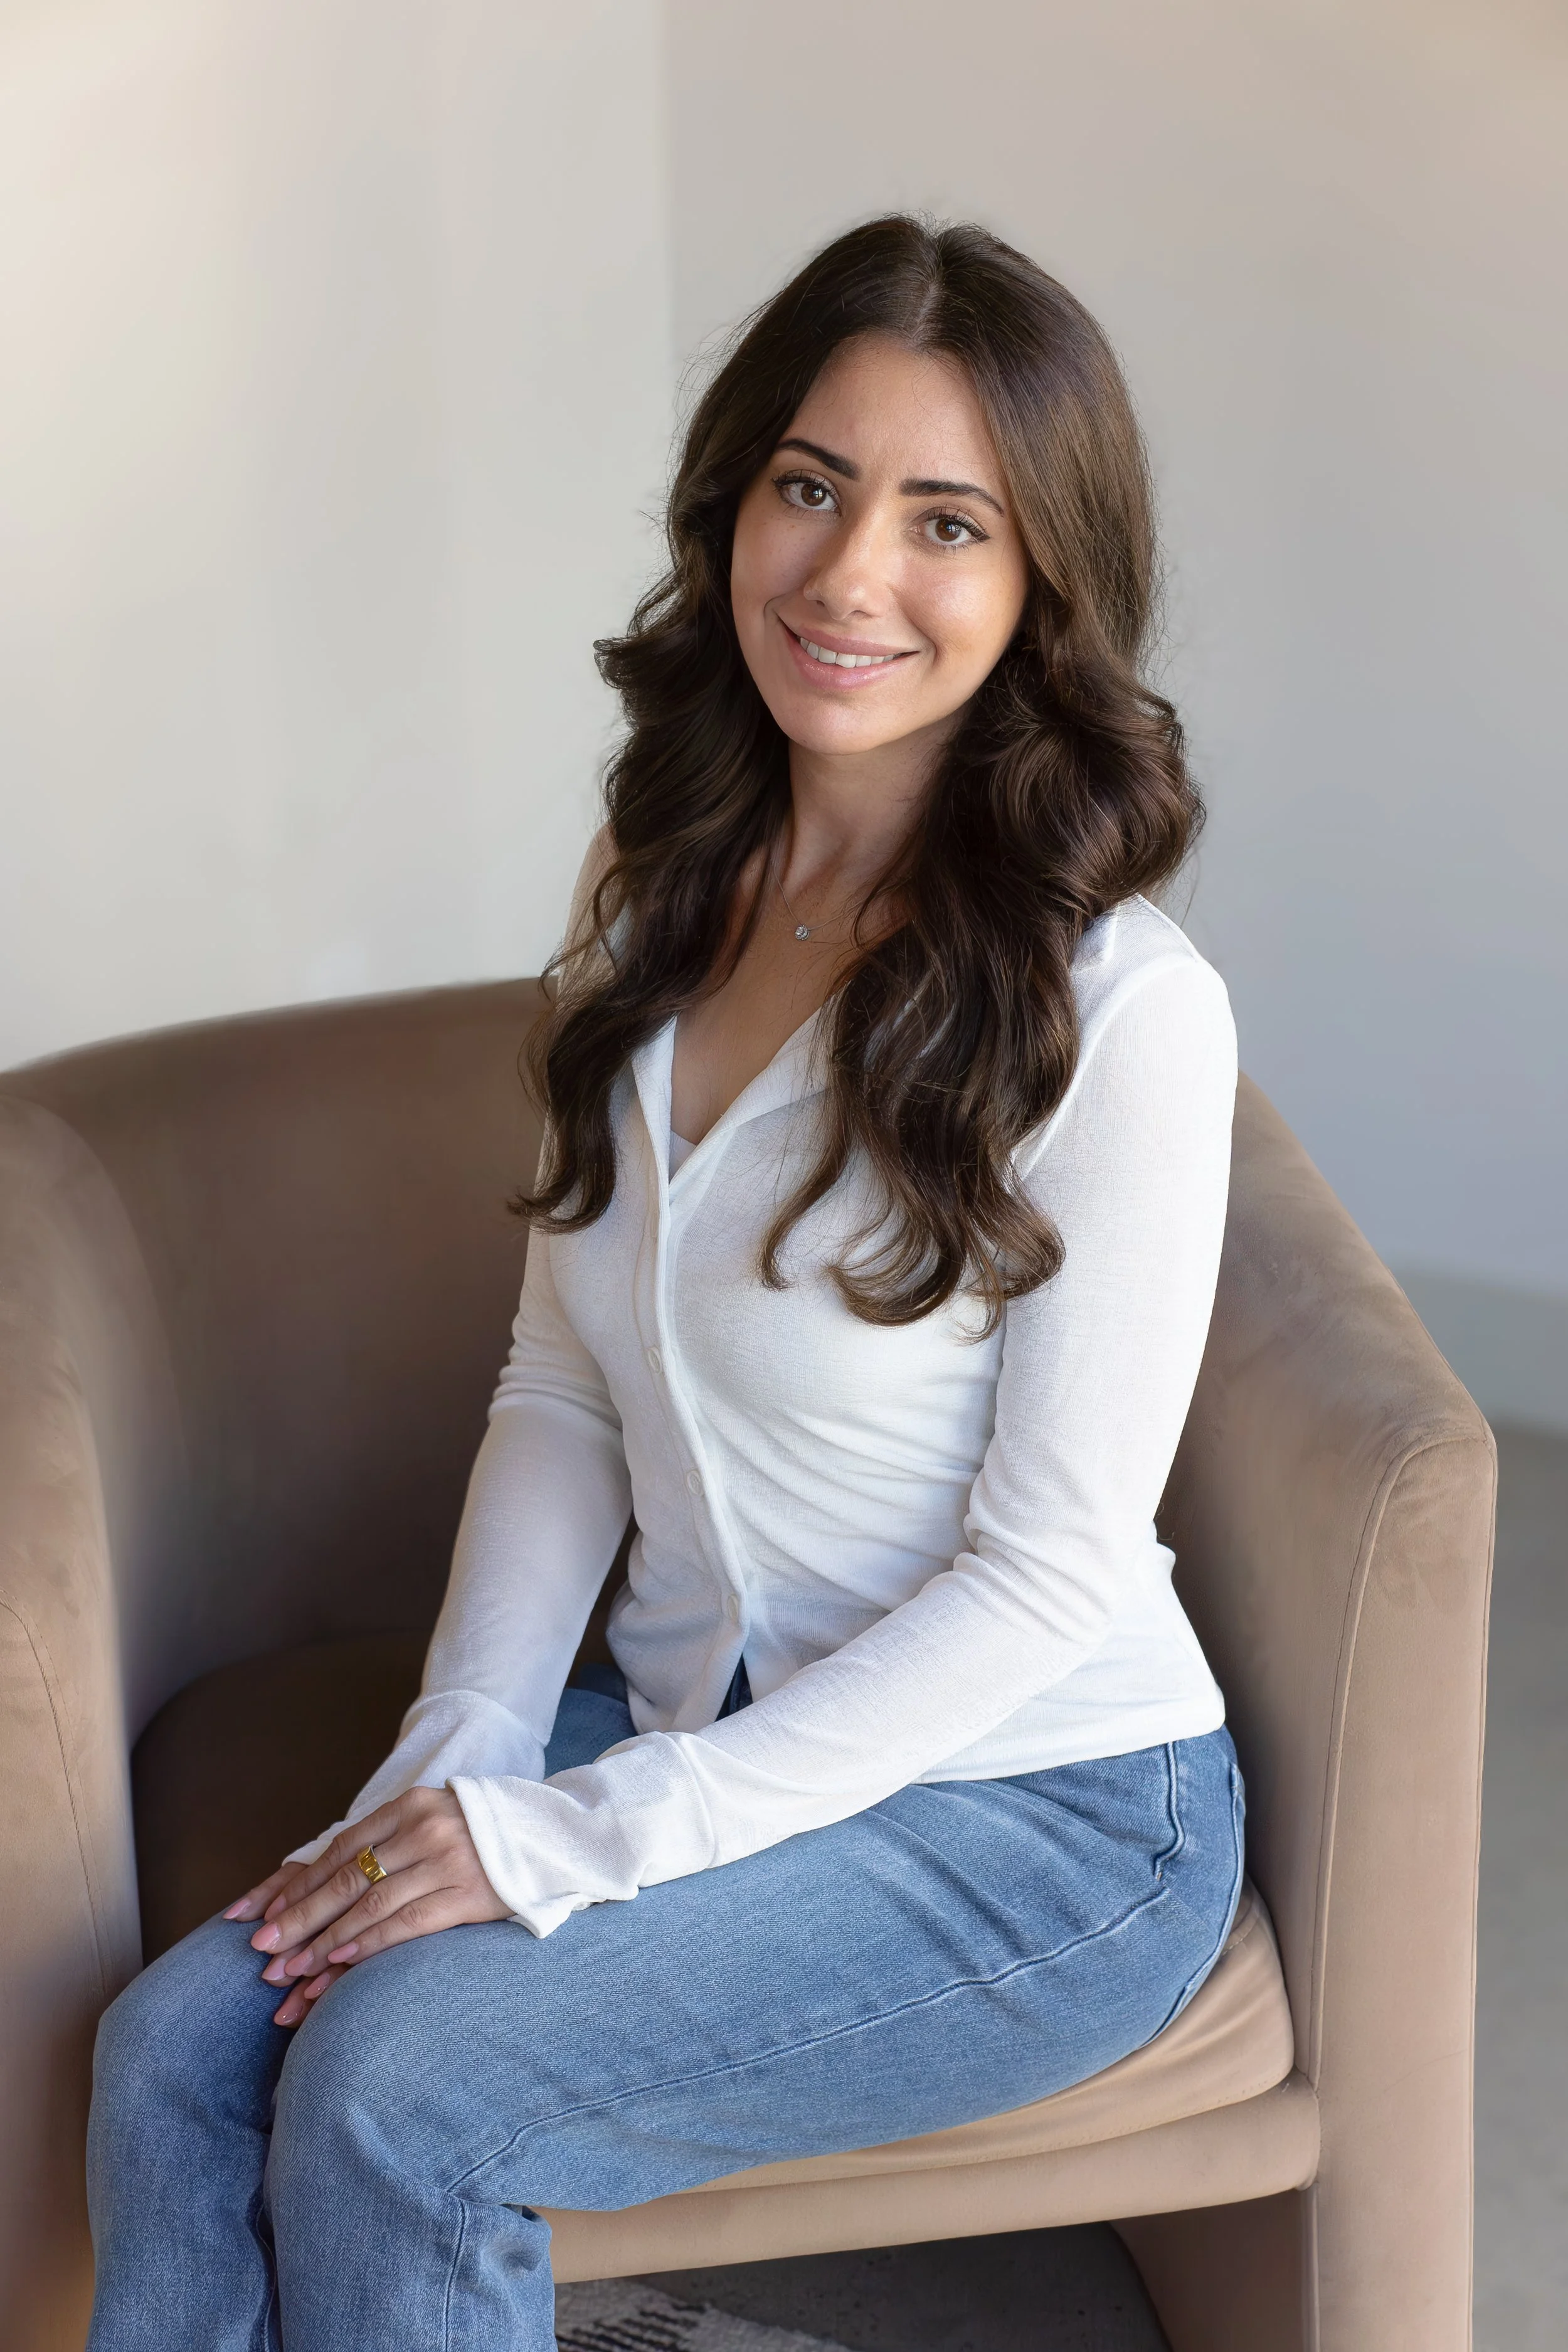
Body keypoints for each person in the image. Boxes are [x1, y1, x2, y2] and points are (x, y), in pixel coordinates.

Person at [85, 216, 1244, 2351]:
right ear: (730, 500)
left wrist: (588, 1834)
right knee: (173, 2058)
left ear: (1042, 585)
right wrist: (453, 1768)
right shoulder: (668, 884)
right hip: (719, 1717)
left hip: (1040, 1822)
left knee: (400, 2082)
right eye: (808, 485)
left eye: (944, 520)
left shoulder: (1119, 1007)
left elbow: (1051, 1575)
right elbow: (559, 1384)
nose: (847, 574)